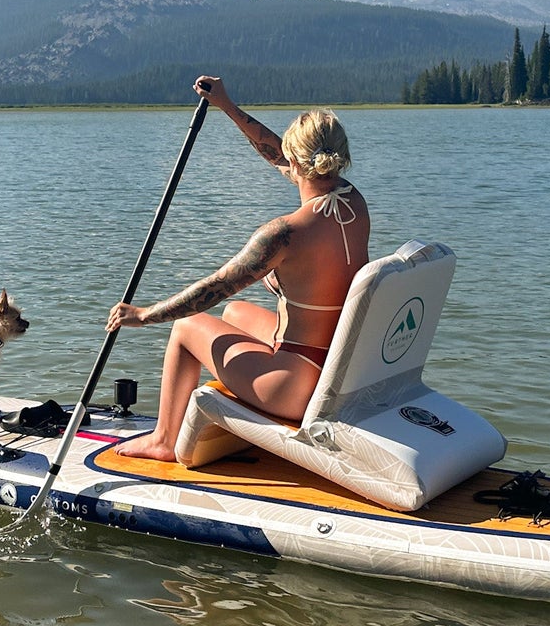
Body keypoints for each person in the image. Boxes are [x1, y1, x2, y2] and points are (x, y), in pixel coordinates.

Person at [109, 76, 370, 462]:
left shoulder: (283, 234)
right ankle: (227, 417)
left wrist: (144, 315)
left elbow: (214, 286)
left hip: (295, 388)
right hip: (333, 366)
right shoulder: (354, 202)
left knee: (186, 327)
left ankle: (164, 440)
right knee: (234, 314)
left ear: (296, 163)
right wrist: (227, 106)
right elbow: (278, 155)